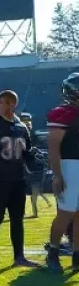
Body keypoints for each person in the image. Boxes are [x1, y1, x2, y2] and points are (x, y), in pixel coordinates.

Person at [0, 90, 39, 270]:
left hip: (17, 180)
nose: (7, 106)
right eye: (4, 102)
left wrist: (34, 158)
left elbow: (26, 154)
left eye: (11, 103)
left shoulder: (22, 128)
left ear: (16, 105)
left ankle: (19, 256)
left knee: (17, 219)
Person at [44, 72, 79, 273]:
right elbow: (54, 147)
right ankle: (54, 252)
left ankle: (77, 255)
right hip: (69, 165)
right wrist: (57, 175)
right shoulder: (62, 113)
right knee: (65, 214)